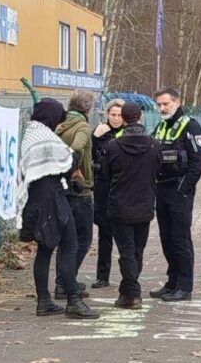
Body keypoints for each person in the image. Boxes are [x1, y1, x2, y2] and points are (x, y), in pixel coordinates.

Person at [15, 99, 98, 319]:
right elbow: (67, 162)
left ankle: (44, 301)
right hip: (52, 199)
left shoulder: (31, 134)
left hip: (36, 200)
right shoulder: (46, 138)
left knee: (44, 250)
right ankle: (73, 300)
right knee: (70, 247)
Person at [101, 100, 162, 308]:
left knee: (127, 252)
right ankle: (127, 292)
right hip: (144, 205)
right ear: (141, 118)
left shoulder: (113, 146)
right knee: (137, 251)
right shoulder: (154, 145)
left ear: (124, 119)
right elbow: (157, 172)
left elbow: (106, 175)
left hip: (120, 206)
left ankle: (132, 294)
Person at [149, 85, 201, 302]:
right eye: (160, 104)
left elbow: (197, 163)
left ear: (177, 102)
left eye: (166, 103)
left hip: (179, 190)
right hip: (161, 189)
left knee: (181, 240)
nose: (162, 108)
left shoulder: (190, 126)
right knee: (167, 239)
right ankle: (172, 283)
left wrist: (184, 190)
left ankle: (184, 286)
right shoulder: (161, 127)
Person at [53, 90, 97, 315]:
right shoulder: (82, 128)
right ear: (88, 108)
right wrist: (75, 168)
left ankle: (65, 280)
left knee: (66, 241)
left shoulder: (60, 125)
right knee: (82, 240)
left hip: (62, 189)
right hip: (80, 191)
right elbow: (78, 147)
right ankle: (65, 282)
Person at [90, 98, 125, 288]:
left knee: (125, 238)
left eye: (120, 115)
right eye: (113, 115)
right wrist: (94, 138)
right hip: (102, 189)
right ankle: (102, 276)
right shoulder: (100, 132)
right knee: (104, 235)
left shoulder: (128, 134)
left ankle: (129, 276)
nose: (117, 119)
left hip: (123, 191)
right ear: (107, 114)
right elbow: (88, 156)